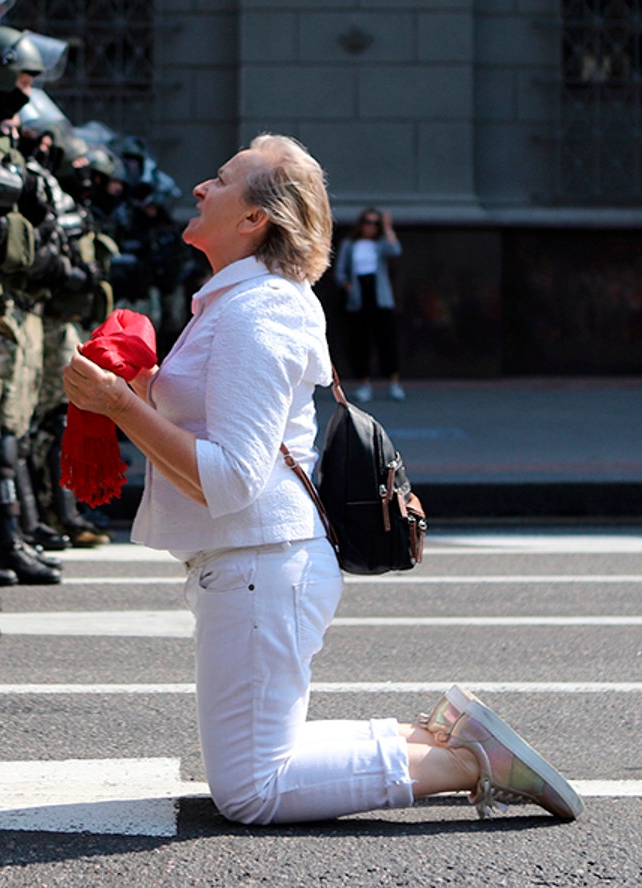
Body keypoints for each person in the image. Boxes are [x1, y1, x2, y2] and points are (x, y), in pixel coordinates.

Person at [62, 133, 581, 826]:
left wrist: (120, 405)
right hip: (252, 566)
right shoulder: (236, 303)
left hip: (261, 565)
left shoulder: (259, 311)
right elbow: (223, 429)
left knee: (252, 791)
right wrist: (146, 383)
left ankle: (471, 763)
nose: (200, 188)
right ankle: (431, 737)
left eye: (221, 180)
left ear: (255, 220)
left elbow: (231, 479)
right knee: (258, 762)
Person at [335, 206, 403, 403]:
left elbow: (395, 250)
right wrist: (348, 285)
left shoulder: (380, 243)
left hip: (379, 293)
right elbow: (340, 270)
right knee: (361, 341)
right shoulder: (350, 244)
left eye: (375, 223)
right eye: (368, 222)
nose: (371, 227)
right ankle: (365, 383)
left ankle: (394, 381)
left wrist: (389, 228)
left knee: (387, 340)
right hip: (358, 293)